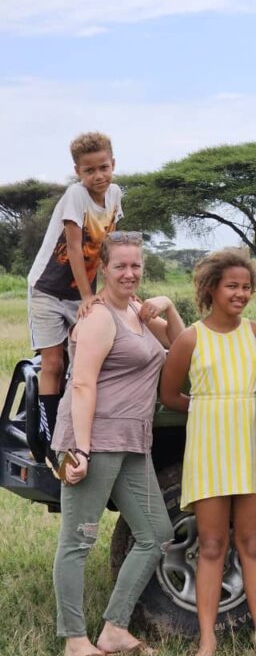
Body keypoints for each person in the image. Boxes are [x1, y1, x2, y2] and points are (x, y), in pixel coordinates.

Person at [52, 231, 184, 656]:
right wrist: (80, 450)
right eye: (120, 266)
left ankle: (114, 628)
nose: (129, 273)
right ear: (102, 269)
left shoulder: (136, 311)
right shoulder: (99, 317)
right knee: (79, 541)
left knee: (156, 533)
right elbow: (84, 384)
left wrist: (167, 305)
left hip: (133, 441)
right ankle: (74, 640)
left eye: (136, 266)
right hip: (95, 440)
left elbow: (183, 348)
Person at [160, 248, 256, 656]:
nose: (241, 294)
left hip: (250, 448)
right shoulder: (191, 338)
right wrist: (208, 409)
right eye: (232, 286)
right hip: (210, 449)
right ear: (211, 288)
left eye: (247, 287)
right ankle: (206, 643)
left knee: (252, 543)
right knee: (210, 545)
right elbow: (170, 394)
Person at [28, 132, 123, 475]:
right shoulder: (75, 196)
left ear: (114, 164)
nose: (98, 176)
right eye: (89, 170)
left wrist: (115, 290)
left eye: (103, 167)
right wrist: (86, 296)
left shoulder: (114, 195)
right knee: (53, 363)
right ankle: (50, 440)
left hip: (84, 290)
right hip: (49, 290)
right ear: (77, 172)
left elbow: (108, 245)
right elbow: (73, 247)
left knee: (80, 361)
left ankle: (74, 434)